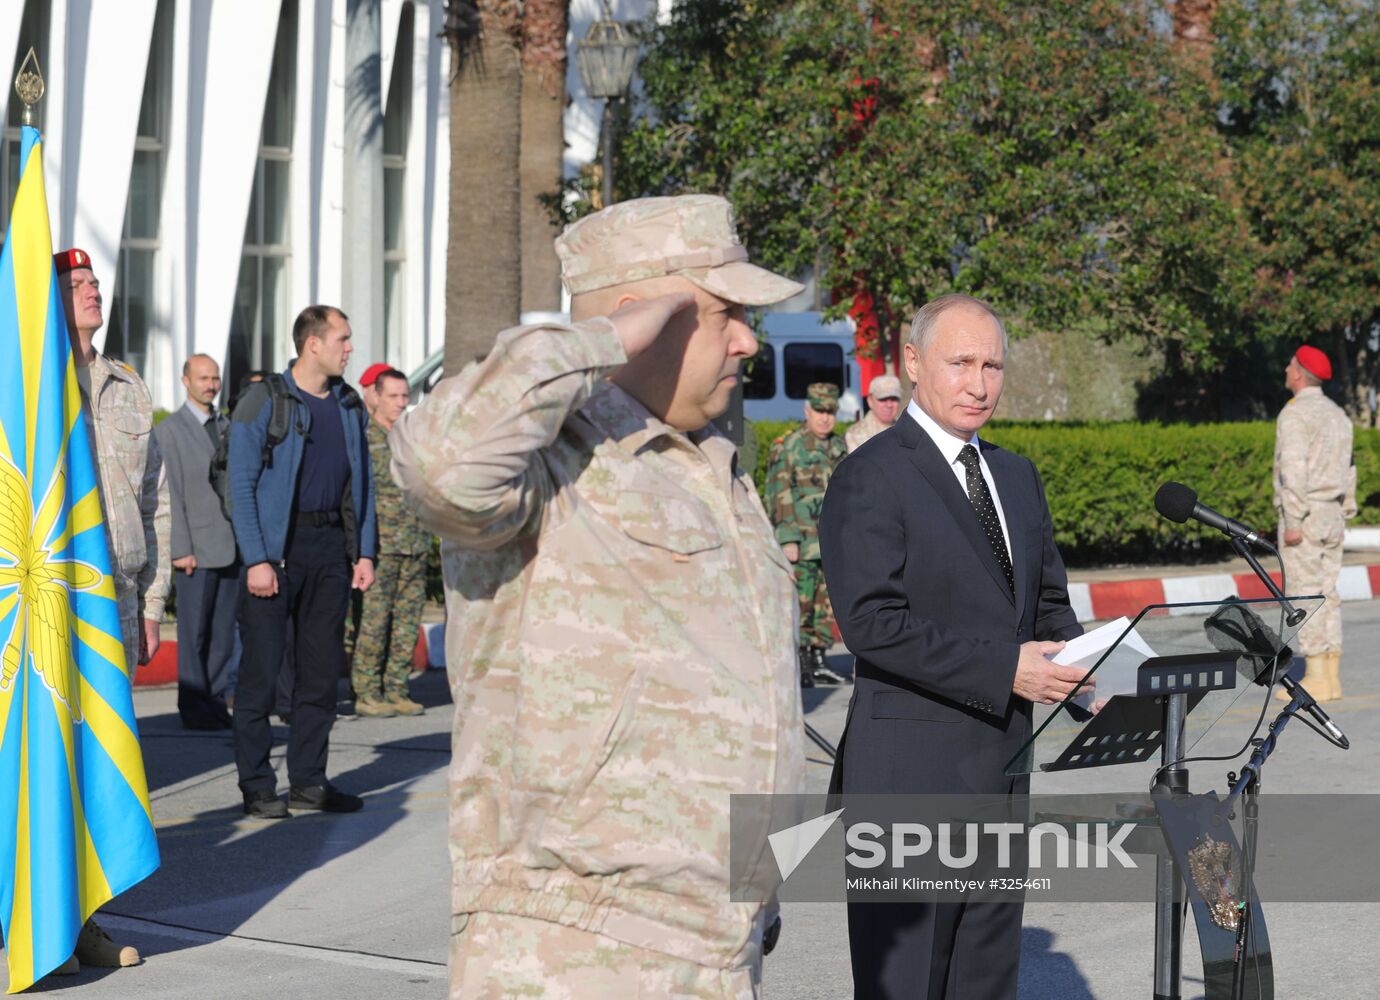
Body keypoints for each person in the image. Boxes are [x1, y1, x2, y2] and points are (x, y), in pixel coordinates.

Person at [390, 194, 806, 997]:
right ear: (643, 316)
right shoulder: (552, 461)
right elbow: (441, 466)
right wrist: (597, 341)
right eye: (724, 314)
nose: (747, 340)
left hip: (721, 949)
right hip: (576, 947)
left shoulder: (712, 469)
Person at [818, 294, 1086, 1000]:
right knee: (907, 985)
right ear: (912, 362)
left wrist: (1094, 666)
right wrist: (1005, 669)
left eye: (992, 365)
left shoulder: (1016, 476)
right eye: (961, 362)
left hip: (1002, 773)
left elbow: (1047, 605)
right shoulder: (870, 474)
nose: (979, 384)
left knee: (985, 982)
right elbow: (871, 622)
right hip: (908, 782)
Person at [55, 247, 169, 970]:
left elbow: (155, 501)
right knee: (42, 761)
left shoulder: (128, 385)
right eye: (76, 284)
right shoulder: (26, 384)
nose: (93, 290)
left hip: (117, 598)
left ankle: (83, 922)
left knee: (98, 766)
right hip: (50, 599)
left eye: (95, 281)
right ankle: (32, 920)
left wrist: (153, 600)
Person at [228, 305, 377, 818]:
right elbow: (241, 486)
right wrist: (257, 559)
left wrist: (364, 551)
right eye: (342, 339)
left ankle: (310, 782)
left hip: (330, 551)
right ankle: (257, 786)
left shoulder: (349, 404)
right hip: (276, 554)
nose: (349, 348)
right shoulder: (263, 400)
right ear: (313, 344)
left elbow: (363, 485)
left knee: (319, 677)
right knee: (261, 677)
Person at [154, 354, 239, 730]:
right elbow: (169, 494)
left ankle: (215, 701)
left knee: (222, 633)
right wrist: (180, 548)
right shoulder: (170, 431)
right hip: (196, 550)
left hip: (230, 546)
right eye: (203, 378)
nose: (211, 385)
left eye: (215, 378)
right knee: (194, 633)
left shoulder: (226, 425)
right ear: (185, 380)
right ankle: (193, 704)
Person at [1273, 344, 1356, 703]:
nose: (1286, 369)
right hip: (1332, 512)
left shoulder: (1295, 414)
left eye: (1290, 364)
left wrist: (1293, 519)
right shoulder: (1338, 414)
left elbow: (1293, 471)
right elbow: (1349, 466)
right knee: (1329, 592)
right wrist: (1347, 506)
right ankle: (1331, 676)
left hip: (1305, 514)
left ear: (1298, 374)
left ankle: (1317, 676)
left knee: (1304, 594)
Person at [349, 366, 428, 718]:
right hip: (380, 545)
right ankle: (367, 691)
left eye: (404, 396)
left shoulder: (411, 438)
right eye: (393, 396)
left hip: (415, 541)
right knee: (374, 621)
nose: (400, 402)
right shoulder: (364, 438)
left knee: (407, 620)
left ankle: (397, 688)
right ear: (376, 396)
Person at [765, 382, 848, 687]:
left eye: (830, 412)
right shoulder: (788, 445)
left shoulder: (838, 446)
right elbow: (778, 492)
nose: (825, 418)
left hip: (830, 541)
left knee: (826, 604)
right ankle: (799, 662)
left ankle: (818, 660)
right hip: (801, 540)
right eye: (819, 410)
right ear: (807, 410)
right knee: (800, 603)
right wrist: (787, 538)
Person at [844, 374, 903, 452]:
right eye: (883, 399)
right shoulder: (855, 435)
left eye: (894, 399)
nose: (889, 405)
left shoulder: (906, 431)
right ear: (870, 401)